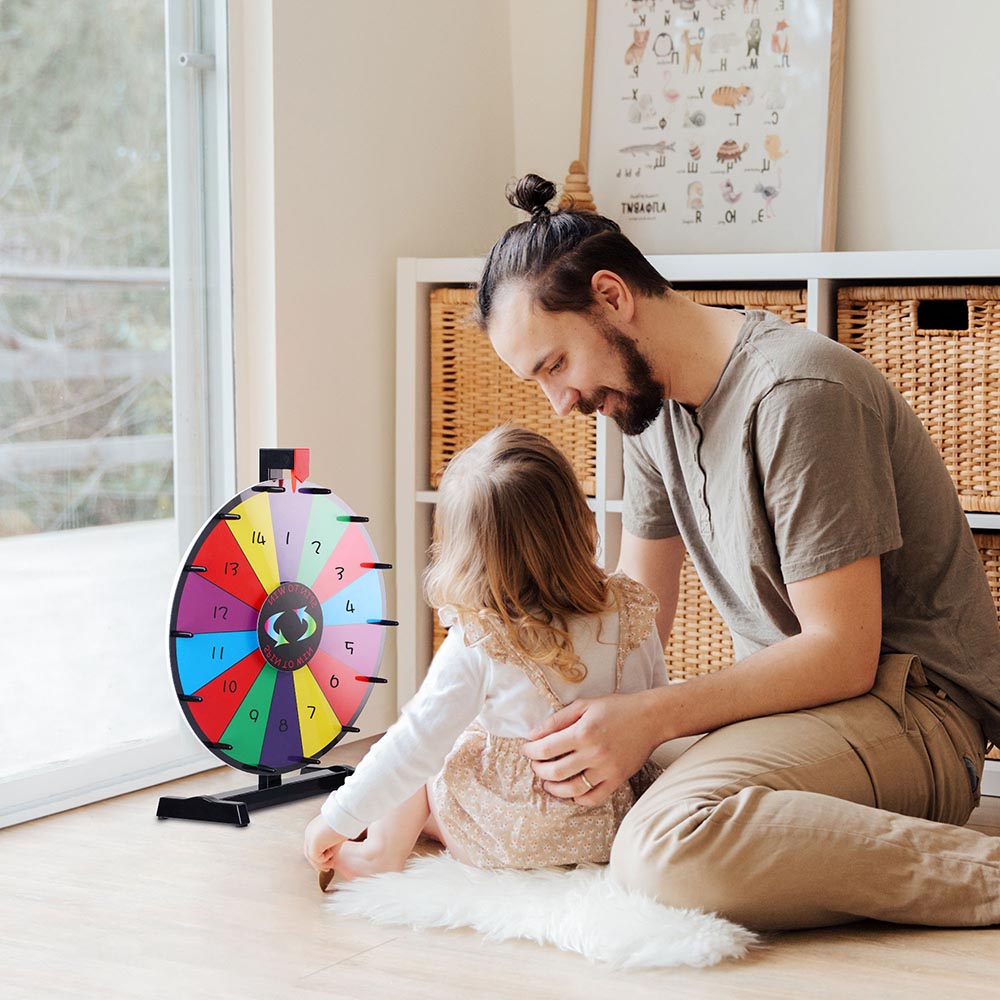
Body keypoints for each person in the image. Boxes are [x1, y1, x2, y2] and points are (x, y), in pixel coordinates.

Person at [474, 173, 1000, 931]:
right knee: (567, 776)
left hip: (912, 711)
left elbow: (841, 652)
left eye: (556, 365)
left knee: (661, 848)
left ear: (612, 297)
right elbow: (635, 617)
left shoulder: (798, 395)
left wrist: (649, 719)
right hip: (804, 710)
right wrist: (525, 702)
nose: (561, 403)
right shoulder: (649, 412)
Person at [303, 425, 667, 885]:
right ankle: (429, 827)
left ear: (464, 554)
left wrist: (335, 819)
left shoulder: (482, 640)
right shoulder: (630, 609)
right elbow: (655, 702)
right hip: (611, 821)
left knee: (426, 754)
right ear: (579, 518)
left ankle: (379, 851)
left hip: (514, 836)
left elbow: (412, 747)